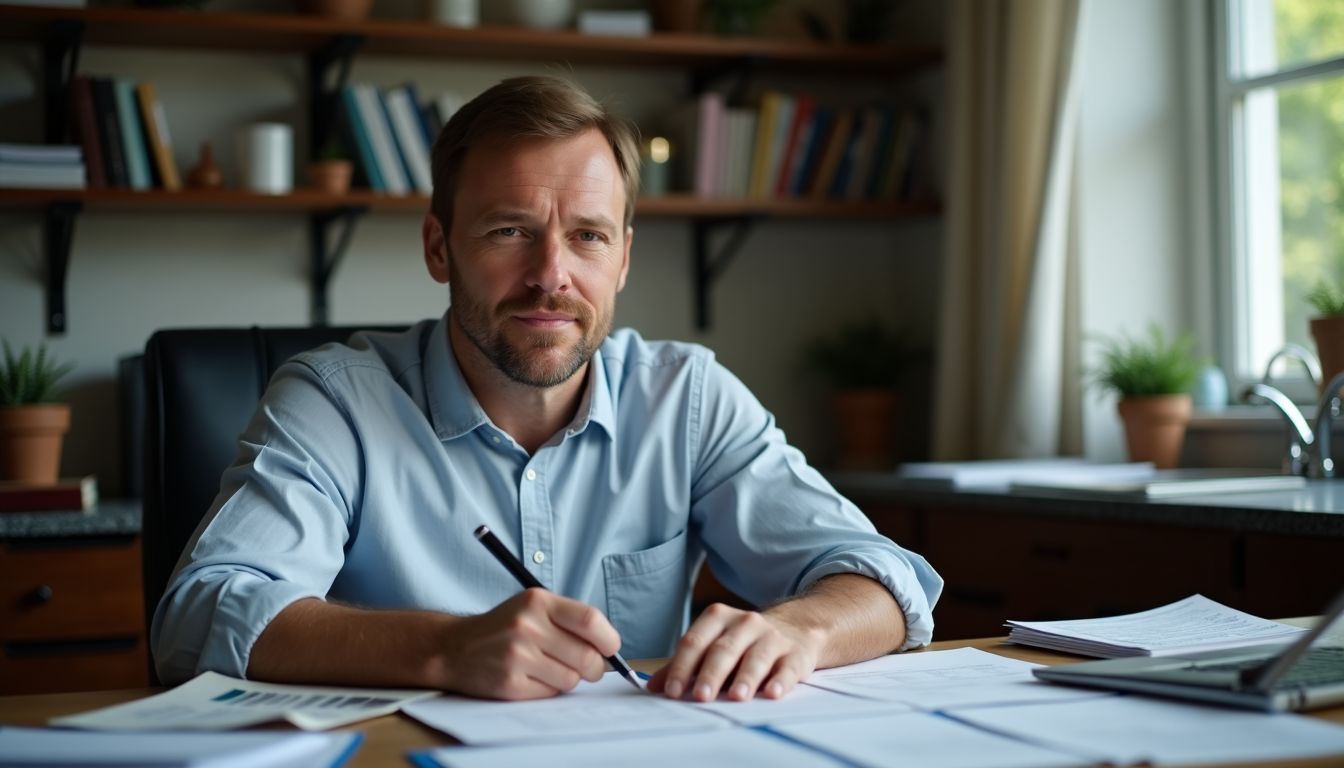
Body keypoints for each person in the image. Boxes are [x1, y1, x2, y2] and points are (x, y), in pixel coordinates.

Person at [152, 75, 942, 703]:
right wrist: (445, 648)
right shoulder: (334, 403)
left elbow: (884, 581)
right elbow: (198, 616)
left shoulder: (686, 398)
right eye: (509, 231)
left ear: (623, 259)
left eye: (587, 237)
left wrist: (801, 631)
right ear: (439, 247)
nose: (550, 277)